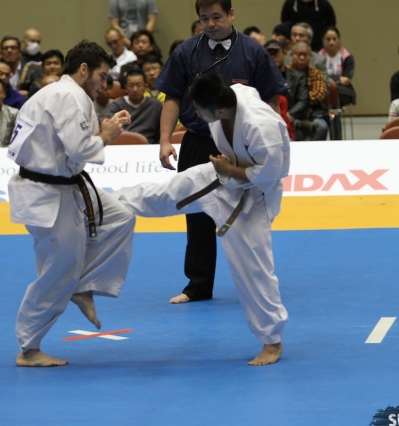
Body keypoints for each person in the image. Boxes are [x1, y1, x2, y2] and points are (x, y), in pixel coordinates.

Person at [115, 73, 289, 366]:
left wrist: (231, 170)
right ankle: (105, 202)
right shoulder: (230, 96)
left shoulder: (263, 128)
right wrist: (227, 169)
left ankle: (272, 342)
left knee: (254, 270)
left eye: (199, 110)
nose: (195, 115)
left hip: (253, 198)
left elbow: (270, 175)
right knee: (169, 191)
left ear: (219, 109)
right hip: (222, 175)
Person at [7, 40, 135, 367]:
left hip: (65, 185)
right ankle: (29, 348)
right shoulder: (67, 96)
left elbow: (74, 139)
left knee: (120, 217)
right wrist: (105, 136)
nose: (105, 84)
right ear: (84, 69)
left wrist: (106, 127)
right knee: (58, 272)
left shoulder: (62, 94)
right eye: (102, 76)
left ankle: (83, 284)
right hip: (48, 191)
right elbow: (80, 148)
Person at [154, 0, 287, 304]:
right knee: (196, 214)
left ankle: (256, 284)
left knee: (248, 214)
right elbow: (172, 98)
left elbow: (271, 100)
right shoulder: (185, 52)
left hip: (239, 142)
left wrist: (274, 142)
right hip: (198, 141)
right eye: (204, 19)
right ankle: (198, 285)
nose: (211, 24)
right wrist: (164, 139)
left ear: (231, 14)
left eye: (216, 16)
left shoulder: (253, 52)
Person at [264, 40, 308, 139]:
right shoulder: (259, 78)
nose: (273, 56)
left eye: (276, 53)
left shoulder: (298, 76)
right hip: (268, 118)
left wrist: (289, 115)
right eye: (270, 54)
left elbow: (303, 100)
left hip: (293, 116)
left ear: (285, 54)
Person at [107, 69, 163, 143]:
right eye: (131, 86)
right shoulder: (117, 105)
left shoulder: (156, 105)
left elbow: (161, 134)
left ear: (145, 87)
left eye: (139, 85)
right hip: (123, 144)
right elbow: (110, 131)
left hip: (149, 146)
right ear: (126, 88)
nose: (135, 89)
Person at [290, 41, 328, 140]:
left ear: (310, 57)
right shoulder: (285, 72)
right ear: (291, 56)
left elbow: (318, 95)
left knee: (321, 127)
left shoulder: (316, 73)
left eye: (305, 55)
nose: (302, 58)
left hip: (313, 114)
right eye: (298, 54)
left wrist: (299, 99)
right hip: (290, 112)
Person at [318, 26, 356, 107]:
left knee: (333, 92)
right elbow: (318, 78)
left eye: (334, 39)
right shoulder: (317, 58)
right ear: (323, 40)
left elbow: (346, 80)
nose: (331, 42)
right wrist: (338, 79)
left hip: (342, 90)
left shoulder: (348, 57)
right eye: (328, 39)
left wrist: (326, 79)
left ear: (339, 39)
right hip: (321, 88)